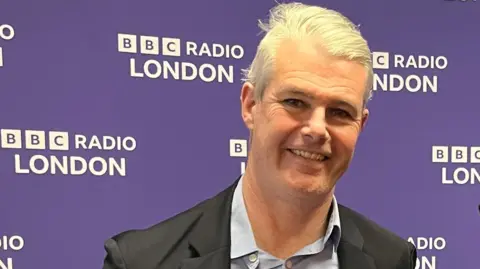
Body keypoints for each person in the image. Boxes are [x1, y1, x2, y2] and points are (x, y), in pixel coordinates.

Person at [102, 2, 417, 269]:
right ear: (250, 105)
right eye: (295, 102)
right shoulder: (142, 261)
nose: (317, 129)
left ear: (360, 124)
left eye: (340, 112)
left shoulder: (393, 259)